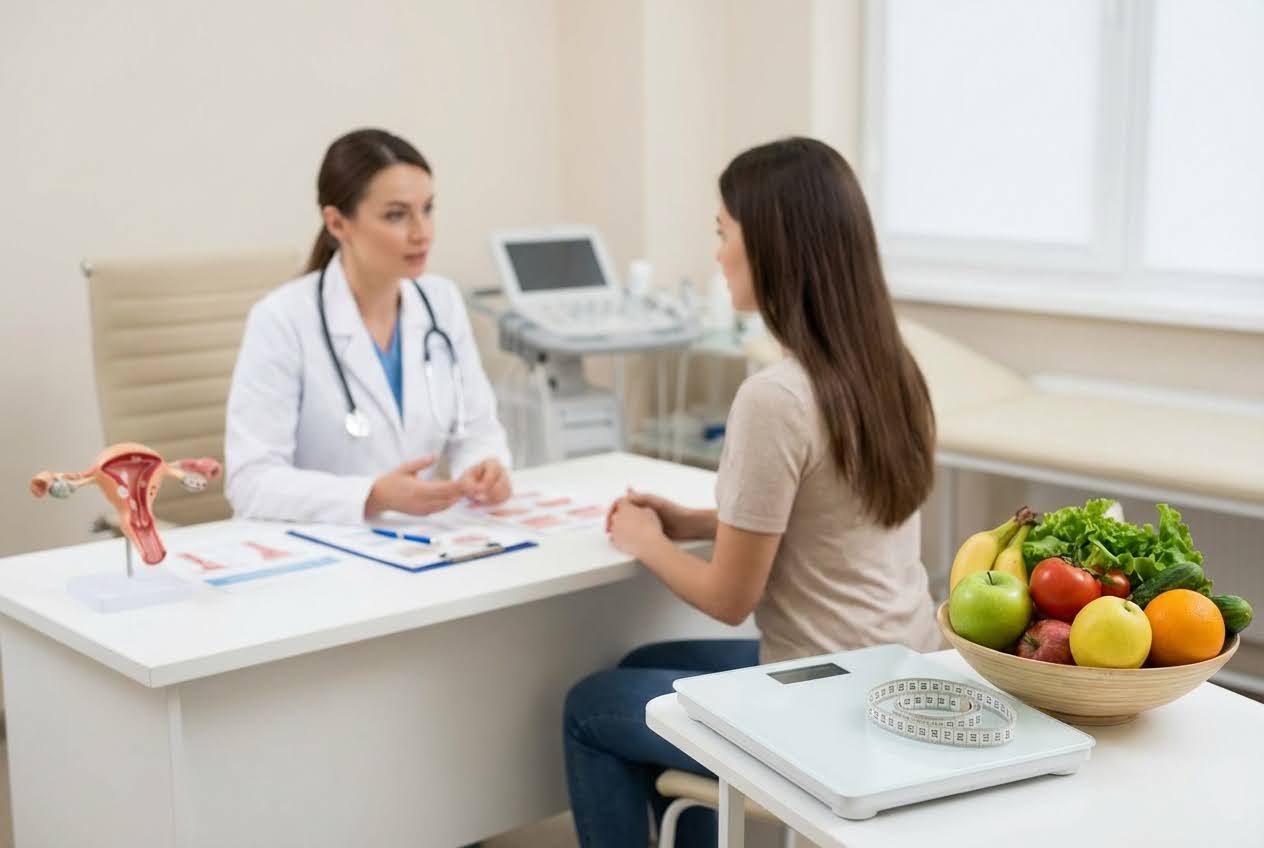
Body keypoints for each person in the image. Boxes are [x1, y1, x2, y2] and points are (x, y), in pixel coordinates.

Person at [563, 137, 941, 847]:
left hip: (822, 703)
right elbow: (830, 519)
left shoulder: (775, 397)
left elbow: (729, 598)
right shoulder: (892, 369)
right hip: (898, 667)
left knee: (590, 709)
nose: (715, 254)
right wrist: (689, 519)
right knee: (641, 669)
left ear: (770, 247)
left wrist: (643, 540)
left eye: (722, 233)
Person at [225, 129, 512, 523]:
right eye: (396, 215)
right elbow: (250, 483)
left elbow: (476, 430)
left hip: (420, 548)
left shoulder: (440, 302)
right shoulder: (282, 320)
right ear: (338, 223)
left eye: (427, 209)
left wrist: (485, 467)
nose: (421, 232)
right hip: (321, 553)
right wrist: (370, 496)